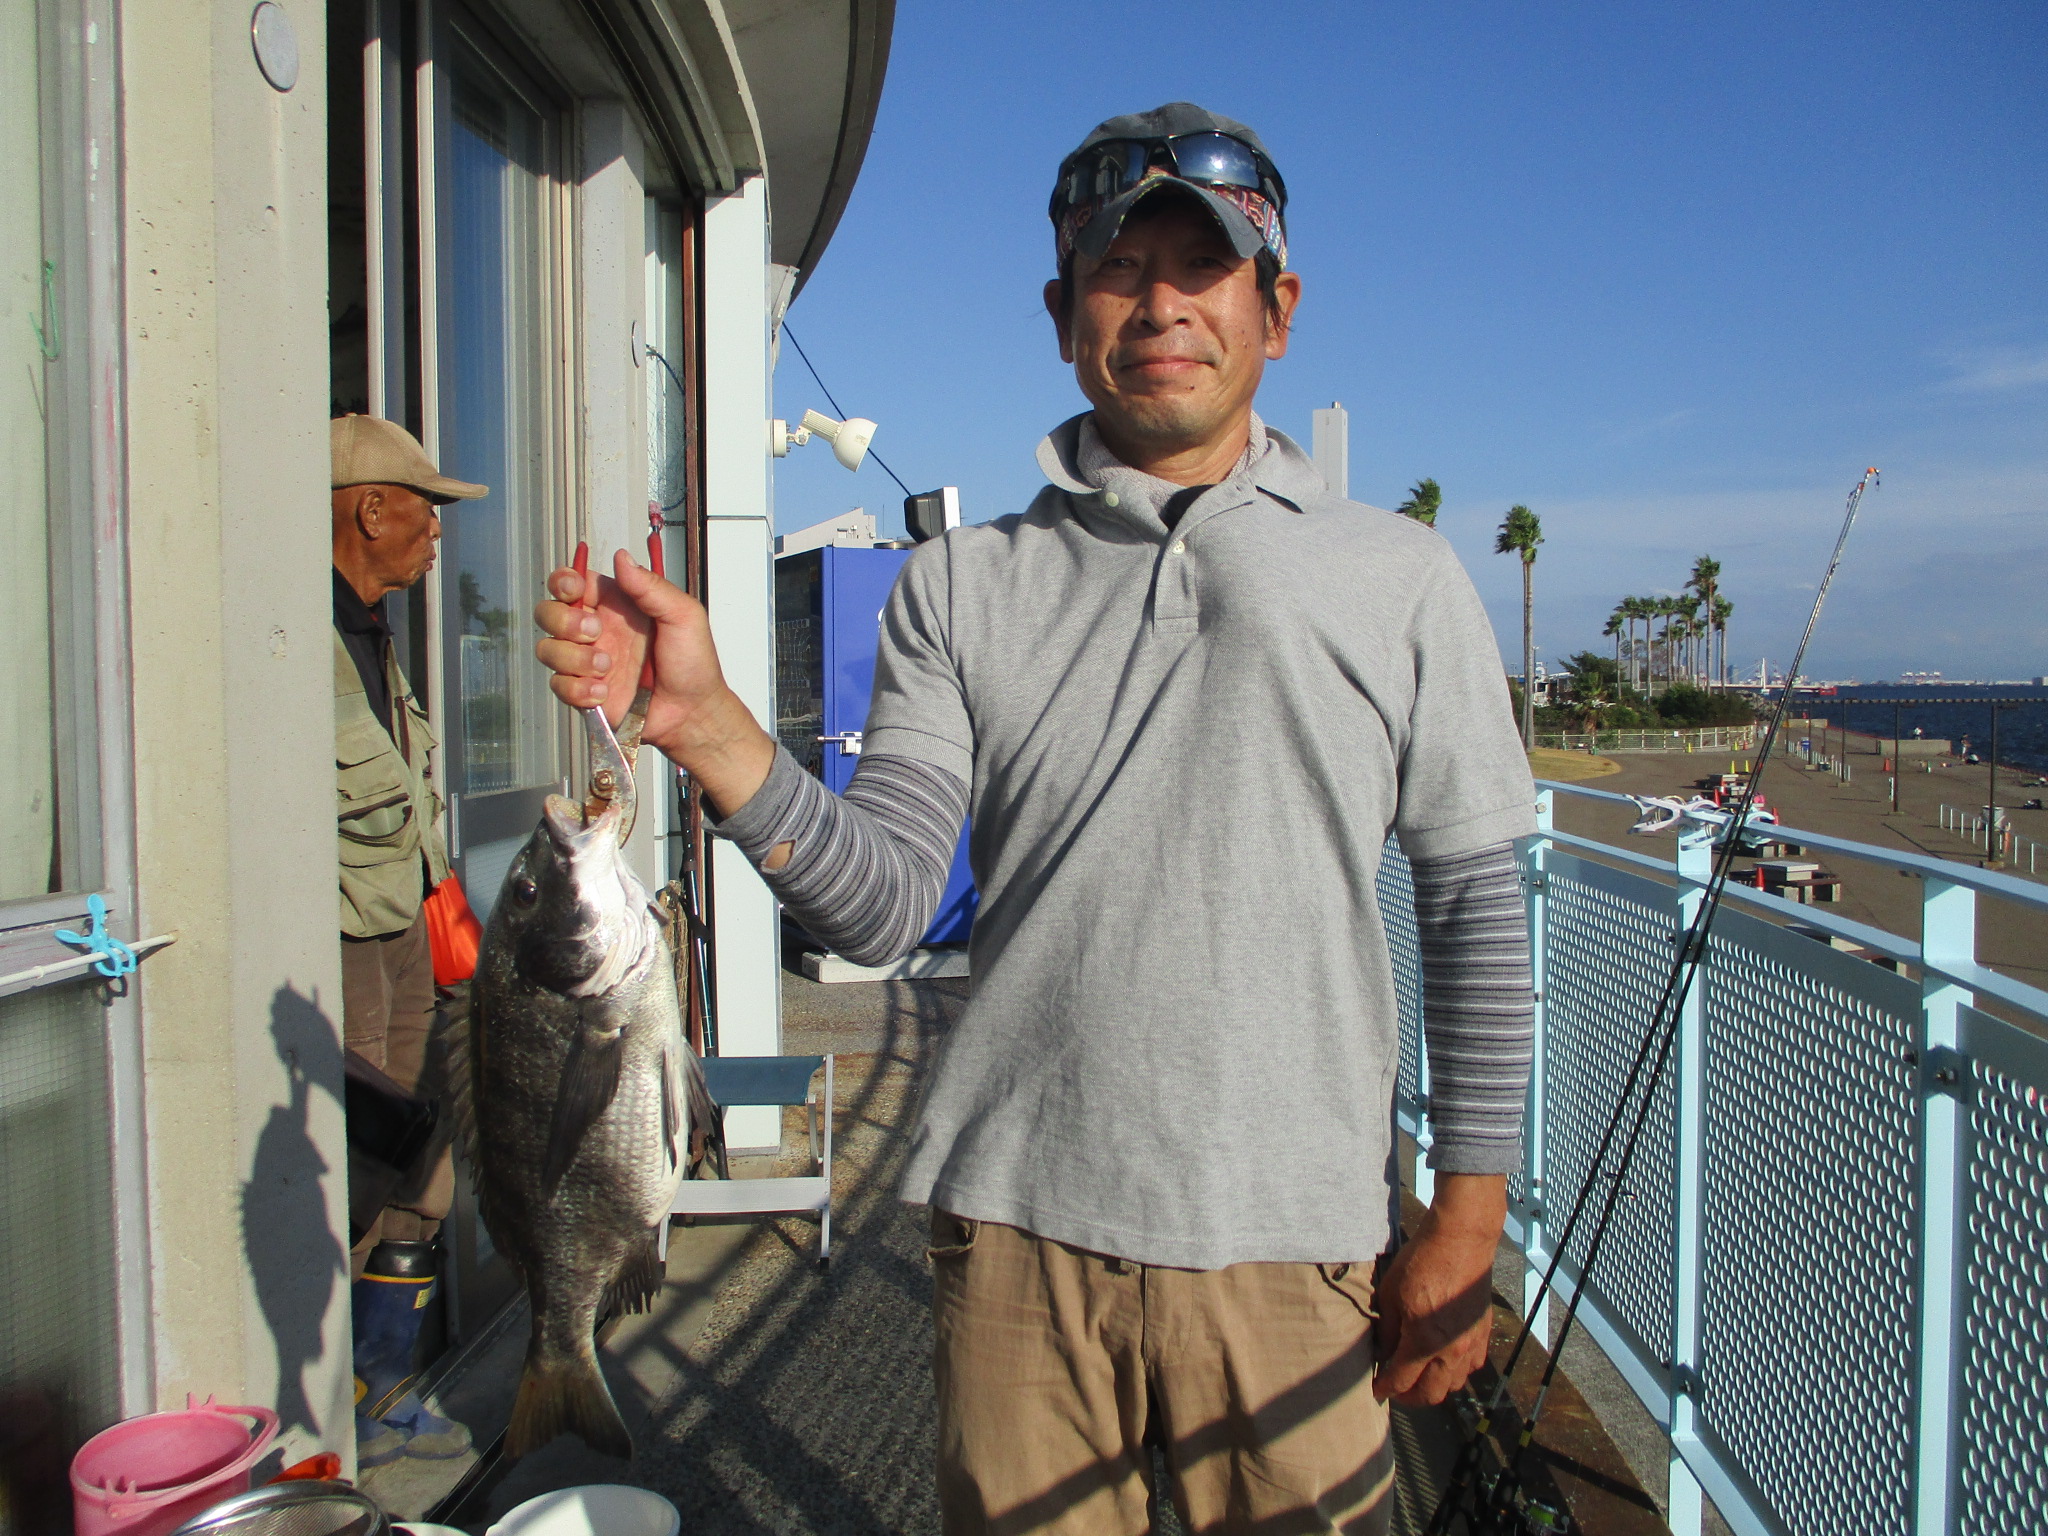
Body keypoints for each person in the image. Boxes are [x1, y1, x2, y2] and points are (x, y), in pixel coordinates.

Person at [535, 103, 1535, 1534]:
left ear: (1277, 311)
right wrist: (709, 730)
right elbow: (884, 898)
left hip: (1302, 1246)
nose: (1162, 304)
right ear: (1066, 317)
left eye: (1204, 267)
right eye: (1120, 270)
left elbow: (1473, 903)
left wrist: (1468, 1218)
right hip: (1015, 1246)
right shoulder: (959, 587)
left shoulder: (1402, 575)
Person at [330, 414, 484, 1467]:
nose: (438, 532)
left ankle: (384, 1387)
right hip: (343, 953)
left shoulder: (377, 636)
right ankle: (329, 1417)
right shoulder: (295, 637)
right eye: (427, 510)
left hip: (410, 944)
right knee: (352, 1175)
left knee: (425, 1166)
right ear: (371, 509)